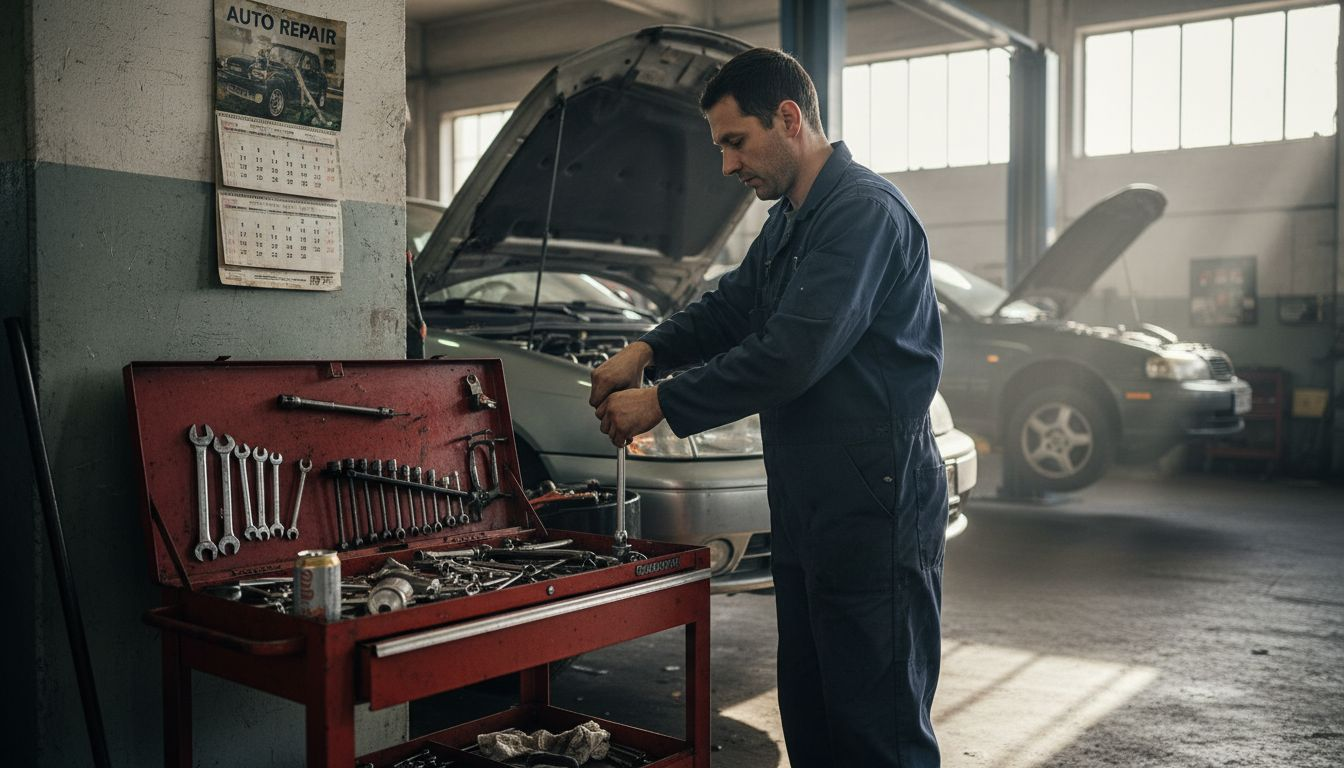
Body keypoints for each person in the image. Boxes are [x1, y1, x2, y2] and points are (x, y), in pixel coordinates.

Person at [589, 47, 946, 767]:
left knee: (877, 724)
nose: (726, 164)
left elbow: (792, 352)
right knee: (812, 709)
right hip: (813, 494)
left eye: (734, 142)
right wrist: (647, 348)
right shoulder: (791, 217)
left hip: (875, 497)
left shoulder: (862, 213)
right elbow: (733, 308)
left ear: (789, 119)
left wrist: (662, 401)